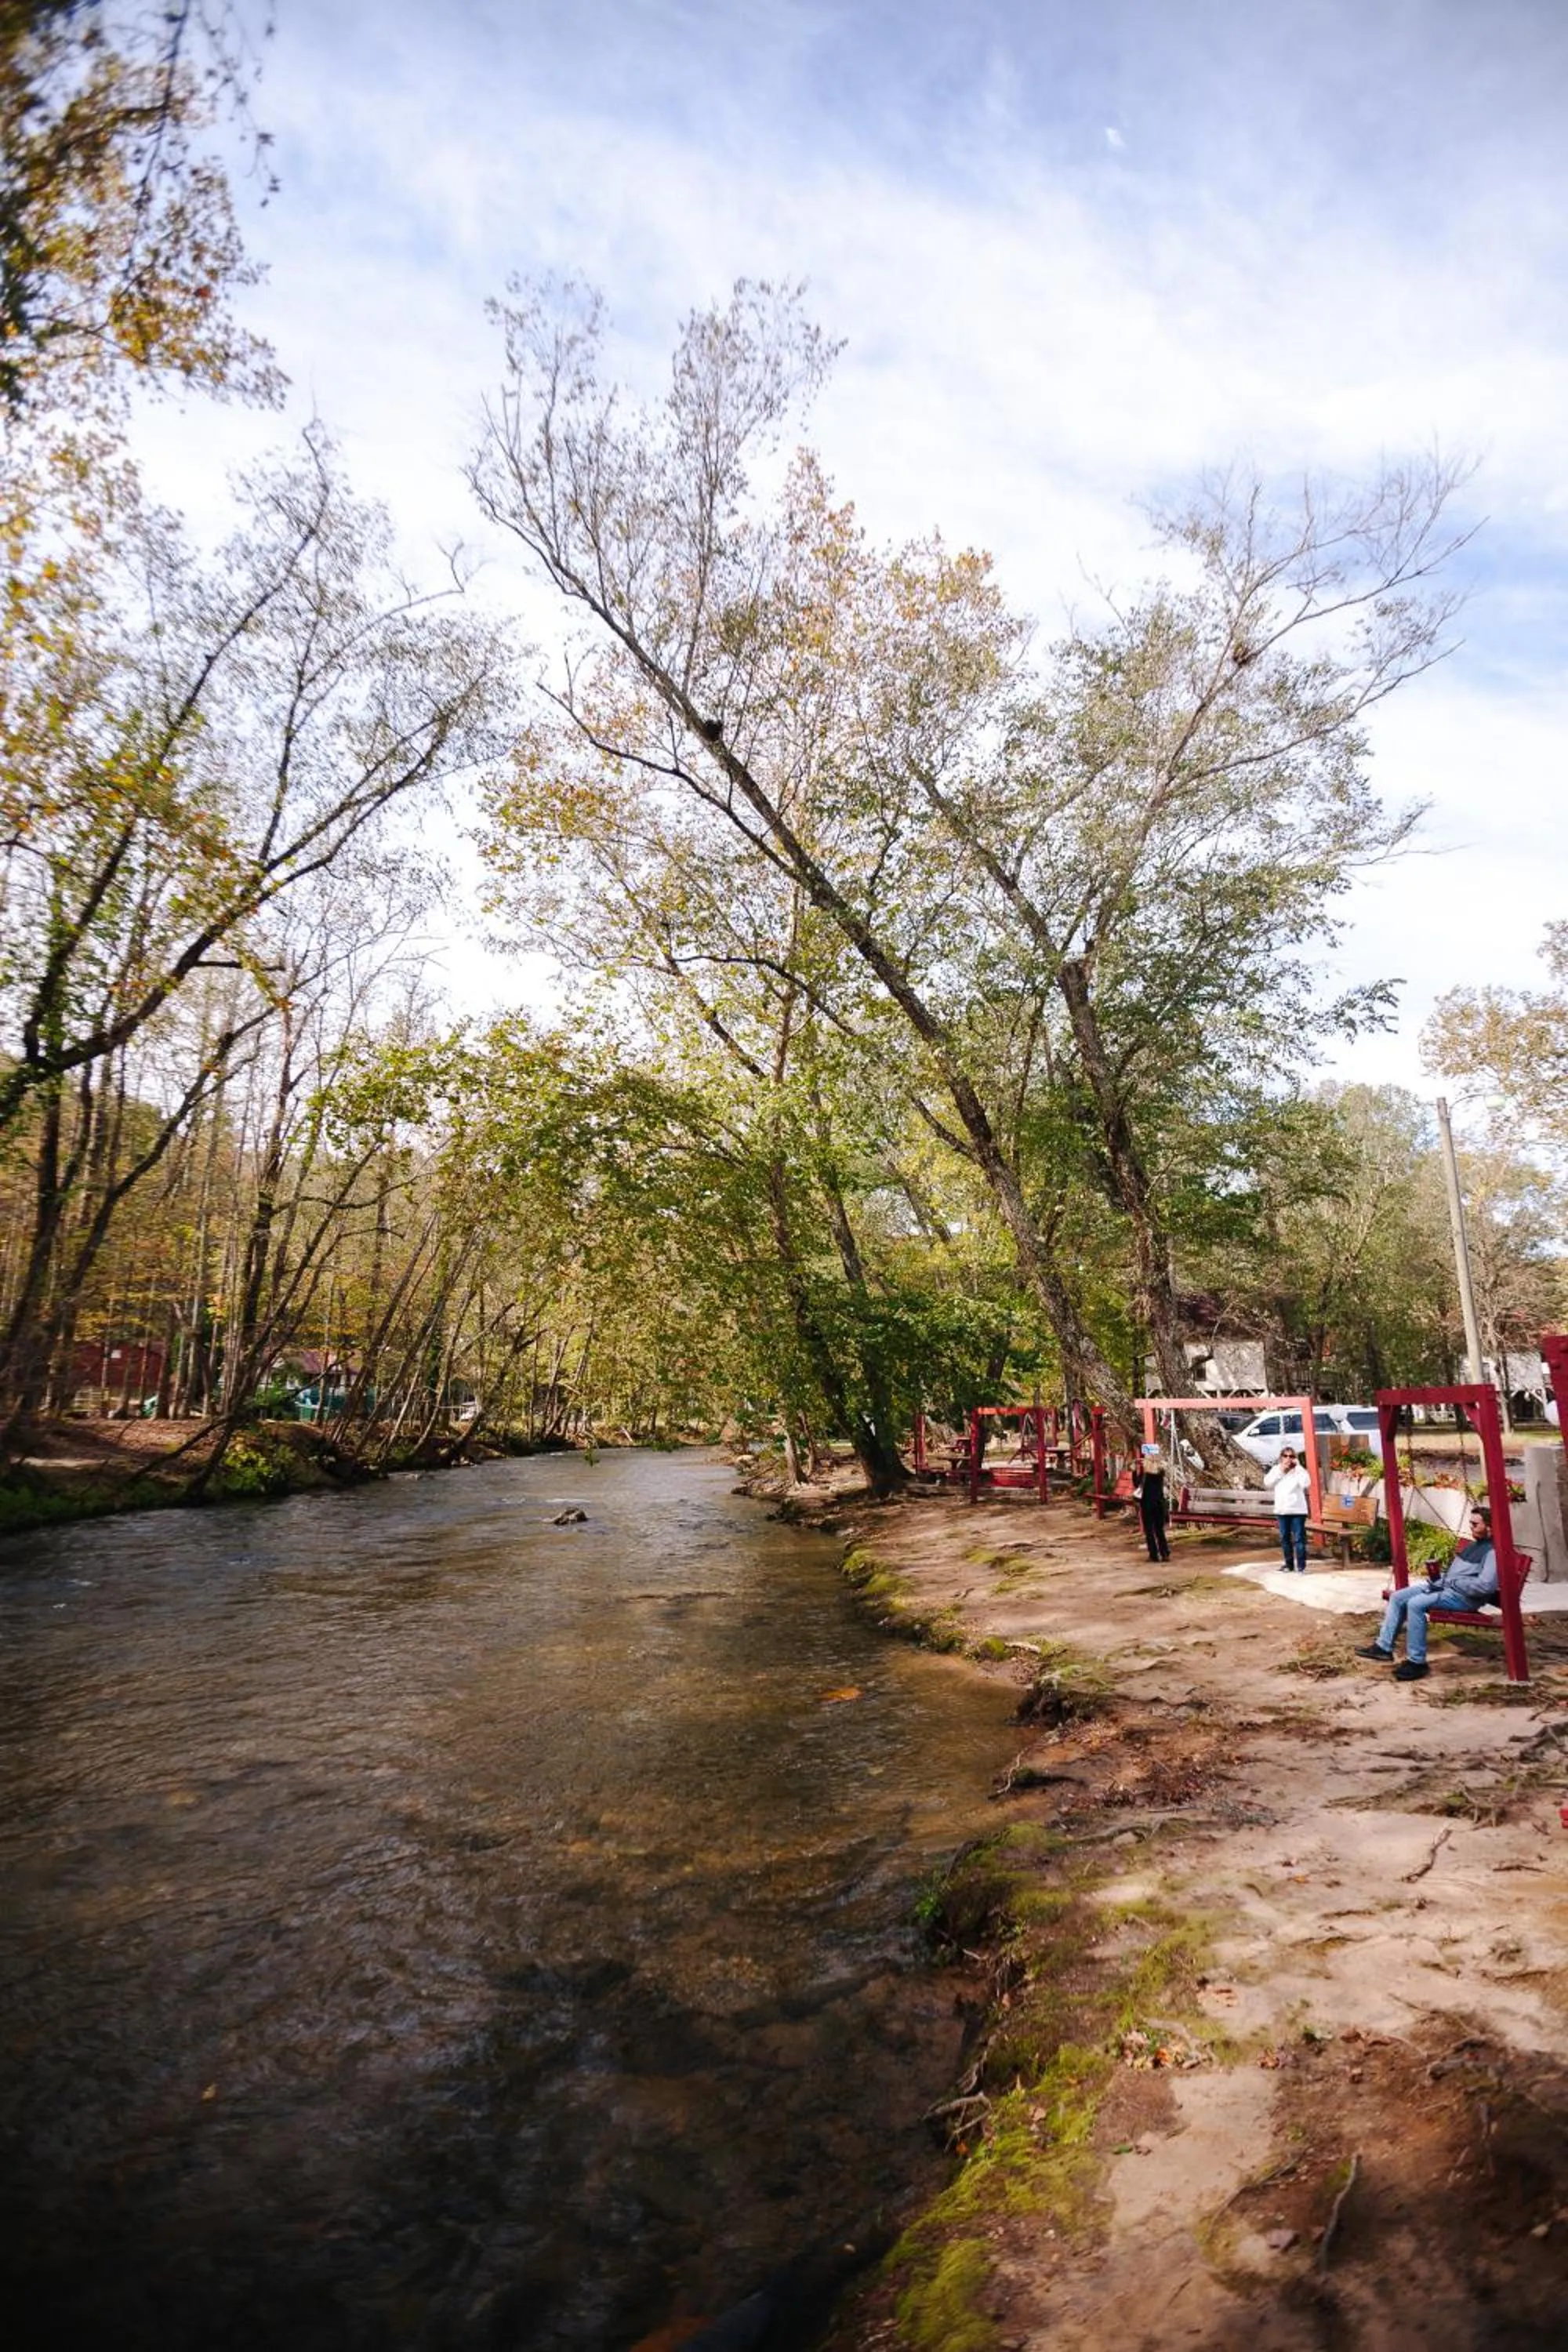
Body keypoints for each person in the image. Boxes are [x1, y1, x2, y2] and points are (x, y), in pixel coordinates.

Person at [1356, 1504, 1499, 1682]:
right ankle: (1383, 1648)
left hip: (1464, 1598)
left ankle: (1417, 1662)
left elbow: (1485, 1586)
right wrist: (1439, 1579)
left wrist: (1453, 1582)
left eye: (1475, 1524)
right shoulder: (1473, 1546)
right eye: (1470, 1523)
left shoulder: (1493, 1553)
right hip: (1447, 1588)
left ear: (1490, 1527)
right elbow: (1457, 1574)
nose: (1471, 1527)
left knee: (1415, 1604)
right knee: (1398, 1597)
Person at [1265, 1444, 1311, 1573]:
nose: (1288, 1459)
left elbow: (1306, 1484)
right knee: (1285, 1538)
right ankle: (1289, 1564)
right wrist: (1282, 1471)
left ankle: (1301, 1567)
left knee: (1299, 1539)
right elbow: (1268, 1483)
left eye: (1291, 1456)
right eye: (1285, 1456)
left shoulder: (1299, 1471)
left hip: (1297, 1511)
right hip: (1282, 1510)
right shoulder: (1276, 1470)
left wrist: (1299, 1467)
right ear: (1281, 1458)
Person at [1131, 1446, 1171, 1563]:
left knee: (1149, 1531)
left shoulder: (1145, 1475)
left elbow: (1136, 1484)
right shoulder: (1160, 1473)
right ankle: (1165, 1553)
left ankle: (1154, 1554)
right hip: (1159, 1504)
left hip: (1147, 1505)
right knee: (1159, 1530)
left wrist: (1135, 1470)